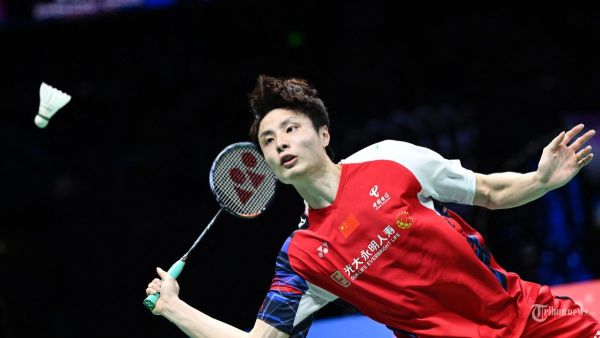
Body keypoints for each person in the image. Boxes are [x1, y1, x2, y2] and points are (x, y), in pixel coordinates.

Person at [145, 75, 599, 337]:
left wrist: (540, 181)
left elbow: (489, 192)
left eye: (289, 128)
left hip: (528, 316)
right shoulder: (302, 257)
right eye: (268, 140)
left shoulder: (390, 158)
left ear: (323, 134)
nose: (280, 142)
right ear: (268, 167)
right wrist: (173, 308)